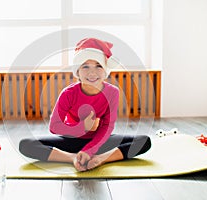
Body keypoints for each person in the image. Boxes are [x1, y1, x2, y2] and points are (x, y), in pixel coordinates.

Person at [19, 38, 151, 172]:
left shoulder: (112, 92)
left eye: (98, 66)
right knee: (25, 144)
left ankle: (100, 159)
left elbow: (107, 126)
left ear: (105, 71)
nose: (92, 72)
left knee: (144, 141)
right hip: (71, 141)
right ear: (78, 72)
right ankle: (73, 158)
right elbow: (54, 126)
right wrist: (82, 128)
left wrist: (90, 150)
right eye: (85, 66)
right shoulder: (68, 93)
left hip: (99, 142)